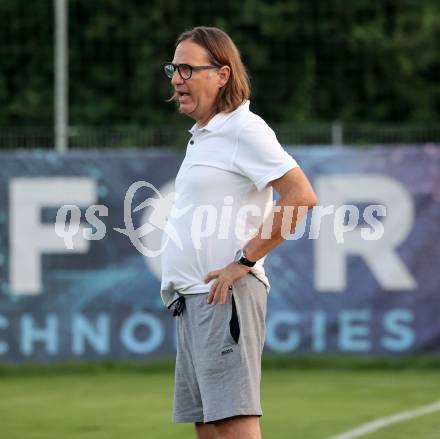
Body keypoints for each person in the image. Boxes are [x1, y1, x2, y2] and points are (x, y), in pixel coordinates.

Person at [160, 26, 317, 439]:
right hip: (193, 299)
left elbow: (300, 196)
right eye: (174, 69)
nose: (177, 79)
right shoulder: (204, 136)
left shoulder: (243, 129)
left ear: (222, 75)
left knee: (233, 427)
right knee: (210, 429)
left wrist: (243, 261)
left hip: (224, 297)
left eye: (188, 69)